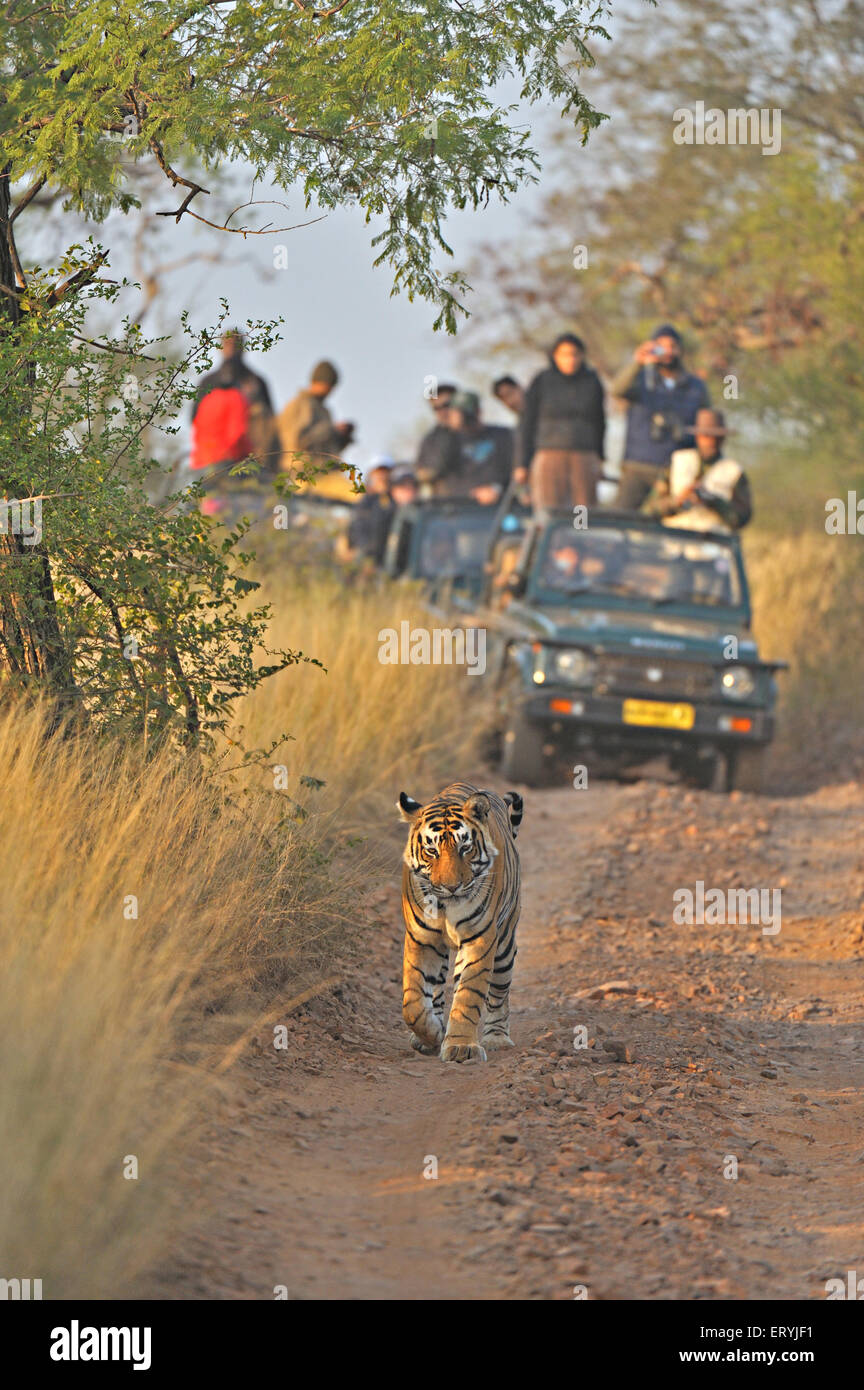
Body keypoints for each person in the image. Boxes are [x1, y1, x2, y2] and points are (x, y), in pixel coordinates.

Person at [611, 324, 710, 511]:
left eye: (673, 346)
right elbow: (617, 389)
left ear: (680, 350)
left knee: (675, 521)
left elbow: (706, 424)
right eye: (661, 346)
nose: (668, 352)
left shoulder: (696, 387)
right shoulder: (640, 378)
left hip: (677, 468)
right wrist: (638, 362)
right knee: (620, 517)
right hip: (638, 465)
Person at [515, 333, 605, 513]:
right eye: (564, 354)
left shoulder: (592, 381)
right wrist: (522, 464)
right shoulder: (542, 380)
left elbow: (600, 422)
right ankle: (551, 540)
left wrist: (600, 458)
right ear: (554, 356)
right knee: (549, 508)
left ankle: (582, 539)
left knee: (583, 509)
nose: (570, 360)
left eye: (575, 354)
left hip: (584, 455)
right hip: (549, 453)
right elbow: (527, 423)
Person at [190, 328, 279, 481]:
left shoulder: (256, 382)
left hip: (248, 459)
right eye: (227, 344)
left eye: (234, 344)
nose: (230, 349)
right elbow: (194, 420)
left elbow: (270, 423)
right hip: (214, 461)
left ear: (242, 348)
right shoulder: (209, 383)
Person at [643, 408, 752, 533]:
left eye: (716, 437)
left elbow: (742, 518)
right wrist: (678, 501)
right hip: (674, 539)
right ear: (698, 436)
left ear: (723, 439)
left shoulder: (734, 471)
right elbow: (651, 509)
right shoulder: (677, 462)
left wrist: (714, 502)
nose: (711, 442)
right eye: (706, 436)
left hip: (714, 542)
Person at [277, 360, 355, 498]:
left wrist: (341, 438)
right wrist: (331, 430)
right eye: (330, 386)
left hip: (324, 474)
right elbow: (299, 441)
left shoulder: (323, 410)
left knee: (359, 495)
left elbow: (326, 450)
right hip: (301, 475)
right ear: (321, 382)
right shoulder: (300, 405)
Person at [448, 390, 513, 504]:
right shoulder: (449, 440)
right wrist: (449, 428)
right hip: (460, 508)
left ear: (478, 412)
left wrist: (496, 488)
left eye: (467, 413)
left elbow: (515, 471)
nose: (465, 419)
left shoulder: (503, 435)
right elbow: (436, 469)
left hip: (500, 507)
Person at [415, 382, 462, 497]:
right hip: (445, 506)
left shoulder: (478, 432)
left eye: (446, 405)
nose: (442, 411)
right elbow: (421, 472)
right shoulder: (430, 440)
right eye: (436, 408)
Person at [346, 460, 393, 565]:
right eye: (378, 475)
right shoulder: (364, 504)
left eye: (385, 474)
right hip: (366, 559)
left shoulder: (393, 502)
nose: (382, 479)